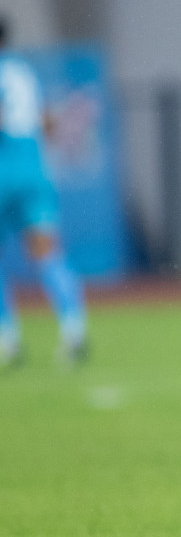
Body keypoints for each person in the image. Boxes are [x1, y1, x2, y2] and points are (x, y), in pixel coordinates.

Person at [0, 18, 89, 367]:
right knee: (48, 255)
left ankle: (8, 339)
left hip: (4, 169)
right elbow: (45, 122)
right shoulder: (24, 73)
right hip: (35, 169)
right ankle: (74, 330)